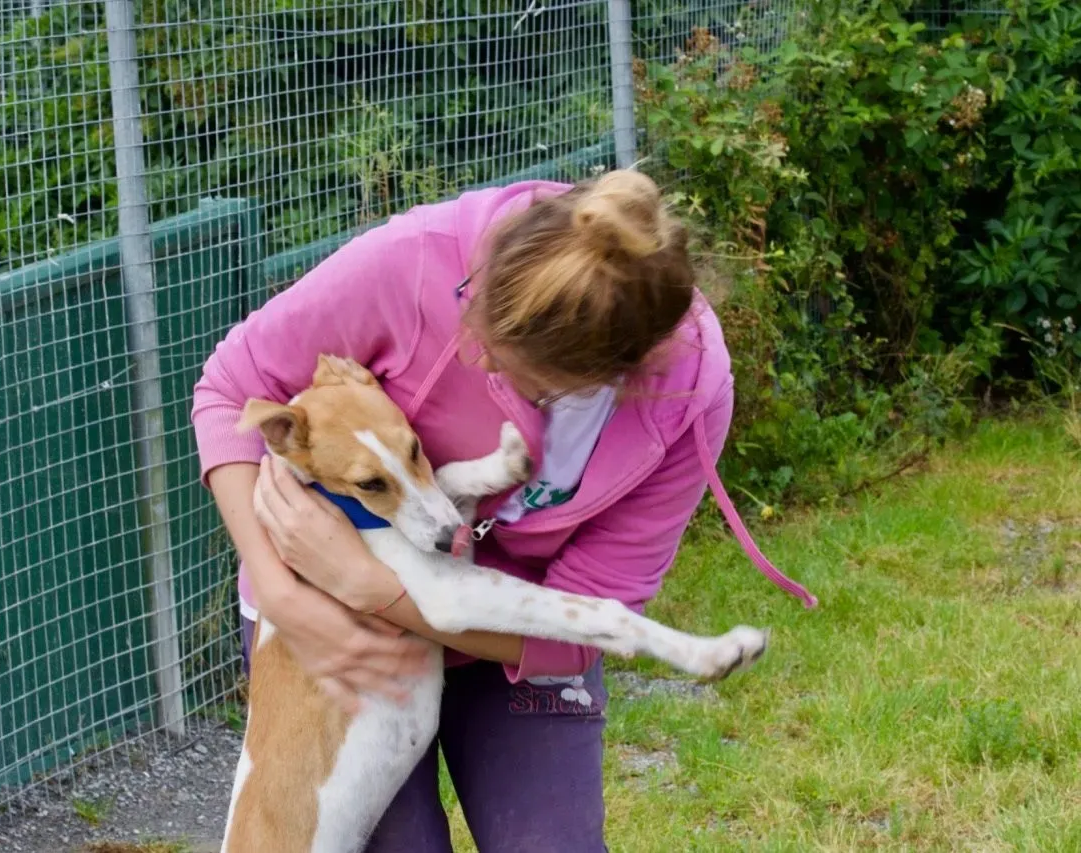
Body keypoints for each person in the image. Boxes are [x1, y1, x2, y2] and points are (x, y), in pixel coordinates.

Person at [191, 169, 815, 852]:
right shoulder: (418, 260)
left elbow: (579, 629)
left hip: (494, 630)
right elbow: (228, 388)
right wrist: (284, 591)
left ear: (600, 375)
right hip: (331, 626)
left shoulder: (689, 399)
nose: (474, 350)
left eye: (507, 364)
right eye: (476, 315)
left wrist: (377, 589)